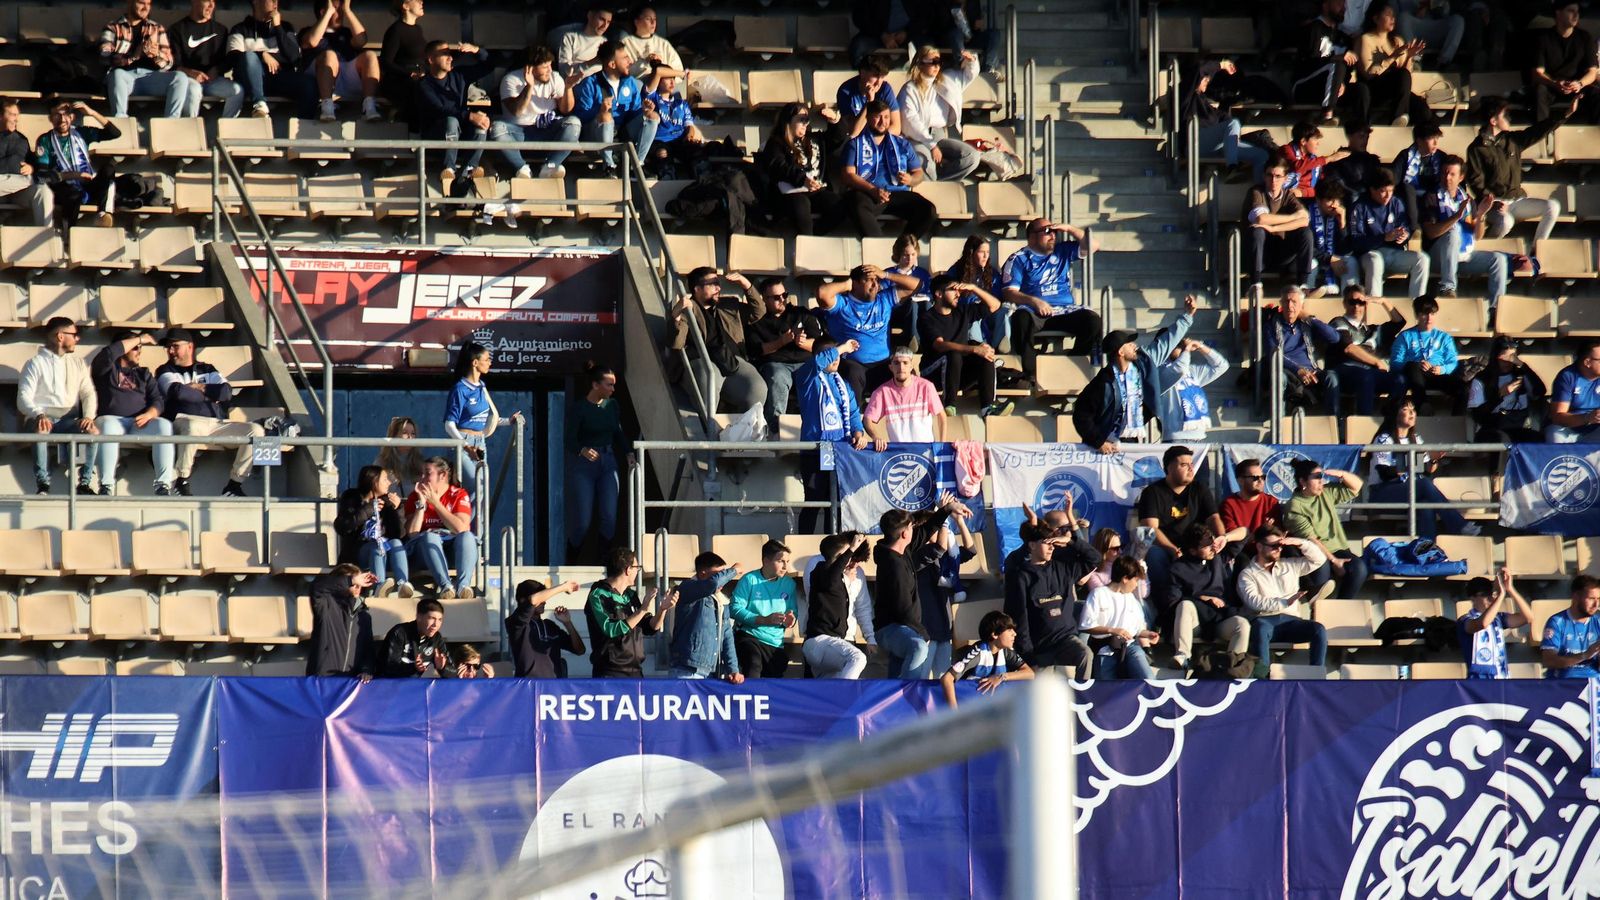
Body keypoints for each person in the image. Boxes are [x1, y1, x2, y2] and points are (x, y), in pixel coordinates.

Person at [1073, 296, 1197, 453]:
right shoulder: (1103, 383)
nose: (1134, 345)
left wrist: (1187, 315)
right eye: (1129, 343)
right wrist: (1098, 442)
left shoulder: (1143, 363)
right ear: (1120, 351)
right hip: (1107, 445)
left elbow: (1166, 342)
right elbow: (1081, 416)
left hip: (1133, 440)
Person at [155, 328, 263, 497]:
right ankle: (181, 481)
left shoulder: (207, 368)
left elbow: (226, 392)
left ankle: (234, 485)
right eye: (168, 347)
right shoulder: (164, 370)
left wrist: (198, 387)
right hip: (183, 420)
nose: (170, 351)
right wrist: (210, 394)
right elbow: (178, 392)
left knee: (256, 431)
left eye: (175, 346)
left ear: (190, 347)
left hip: (216, 423)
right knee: (192, 426)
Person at [1368, 397, 1480, 537]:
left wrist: (1433, 460)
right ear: (1394, 414)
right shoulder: (1384, 439)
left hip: (1410, 492)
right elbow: (1386, 474)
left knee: (1426, 504)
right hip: (1383, 494)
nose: (1412, 413)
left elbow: (1426, 472)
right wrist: (1412, 464)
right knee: (1423, 485)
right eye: (1406, 409)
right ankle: (1460, 526)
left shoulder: (1416, 438)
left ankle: (1426, 550)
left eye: (1413, 409)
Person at [1003, 218, 1104, 370]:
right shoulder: (1018, 258)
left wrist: (1069, 228)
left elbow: (1094, 246)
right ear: (1031, 236)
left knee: (1093, 321)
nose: (1053, 236)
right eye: (1047, 232)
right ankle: (1030, 373)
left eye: (1055, 232)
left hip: (1064, 309)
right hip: (1034, 311)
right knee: (1020, 319)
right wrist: (1034, 301)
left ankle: (1071, 366)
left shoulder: (1062, 250)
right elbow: (1008, 292)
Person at [1466, 96, 1571, 241]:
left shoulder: (1512, 140)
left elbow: (1537, 132)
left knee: (1552, 206)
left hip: (1516, 200)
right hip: (1492, 204)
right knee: (1505, 222)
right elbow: (1476, 182)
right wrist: (1493, 202)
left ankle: (1536, 252)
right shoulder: (1476, 148)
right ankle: (1484, 247)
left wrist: (1565, 114)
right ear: (1493, 121)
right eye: (1505, 115)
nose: (1509, 118)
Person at [1003, 518, 1097, 679]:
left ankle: (1082, 698)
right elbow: (1019, 618)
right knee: (1041, 693)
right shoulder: (1020, 576)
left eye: (1053, 543)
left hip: (1065, 639)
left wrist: (1071, 541)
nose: (1051, 547)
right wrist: (1028, 656)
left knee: (1085, 654)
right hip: (1038, 647)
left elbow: (1094, 558)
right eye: (1047, 543)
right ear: (1032, 545)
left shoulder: (1063, 568)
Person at [17, 317, 98, 496]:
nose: (77, 339)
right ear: (60, 336)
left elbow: (88, 393)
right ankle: (43, 484)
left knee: (92, 432)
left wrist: (89, 416)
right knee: (41, 430)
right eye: (74, 335)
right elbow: (23, 397)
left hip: (69, 418)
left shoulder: (78, 363)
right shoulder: (35, 363)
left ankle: (84, 483)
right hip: (43, 417)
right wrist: (38, 414)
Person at [816, 265, 921, 401]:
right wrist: (847, 284)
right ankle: (856, 418)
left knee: (906, 372)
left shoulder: (884, 299)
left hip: (883, 363)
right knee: (852, 372)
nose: (875, 285)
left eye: (877, 280)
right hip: (853, 365)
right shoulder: (843, 304)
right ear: (856, 283)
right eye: (869, 280)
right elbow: (822, 293)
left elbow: (917, 285)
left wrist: (885, 275)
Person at [670, 266, 767, 414]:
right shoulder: (688, 308)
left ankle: (745, 432)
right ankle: (709, 431)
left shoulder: (729, 305)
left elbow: (759, 312)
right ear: (697, 289)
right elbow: (677, 343)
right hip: (702, 360)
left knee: (757, 388)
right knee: (708, 377)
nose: (718, 287)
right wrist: (676, 316)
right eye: (712, 284)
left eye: (718, 283)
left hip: (731, 359)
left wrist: (745, 284)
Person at [797, 338, 869, 533]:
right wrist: (842, 348)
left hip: (840, 452)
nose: (836, 358)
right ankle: (804, 542)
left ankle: (833, 545)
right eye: (832, 354)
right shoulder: (807, 377)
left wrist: (858, 432)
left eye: (838, 355)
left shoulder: (843, 384)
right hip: (815, 451)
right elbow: (818, 363)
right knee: (813, 500)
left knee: (836, 501)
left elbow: (854, 414)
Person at [1237, 526, 1331, 675]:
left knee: (1318, 629)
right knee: (1260, 627)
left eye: (1280, 545)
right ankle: (1263, 678)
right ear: (1259, 546)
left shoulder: (1290, 565)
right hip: (1264, 620)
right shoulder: (1247, 574)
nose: (1278, 549)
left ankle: (1316, 676)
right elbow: (1253, 601)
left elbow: (1319, 560)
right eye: (1273, 546)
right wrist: (1284, 602)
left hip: (1291, 622)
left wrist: (1299, 543)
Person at [1137, 444, 1226, 597]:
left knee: (1217, 553)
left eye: (1191, 464)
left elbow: (1214, 518)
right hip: (1165, 547)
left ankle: (1218, 598)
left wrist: (1221, 537)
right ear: (1169, 468)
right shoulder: (1152, 492)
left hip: (1197, 545)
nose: (1191, 469)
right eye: (1184, 465)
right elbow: (1151, 529)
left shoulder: (1200, 489)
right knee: (1154, 554)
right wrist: (1172, 549)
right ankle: (1165, 602)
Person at [90, 331, 173, 496]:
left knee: (164, 425)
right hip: (111, 421)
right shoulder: (106, 368)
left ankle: (163, 484)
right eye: (135, 347)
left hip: (138, 423)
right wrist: (140, 338)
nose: (139, 351)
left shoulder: (144, 374)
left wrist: (150, 414)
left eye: (140, 347)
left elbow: (158, 401)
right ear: (123, 348)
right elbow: (108, 353)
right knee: (107, 425)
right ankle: (106, 485)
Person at [1423, 155, 1510, 309]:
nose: (1447, 177)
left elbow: (1477, 235)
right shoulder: (1431, 197)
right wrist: (1456, 217)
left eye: (1452, 174)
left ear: (1461, 177)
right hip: (1438, 257)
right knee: (1453, 230)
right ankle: (1448, 287)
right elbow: (1430, 233)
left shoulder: (1467, 200)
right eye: (1444, 173)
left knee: (1499, 260)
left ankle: (1496, 310)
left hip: (1463, 256)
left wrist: (1482, 215)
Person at [839, 100, 936, 239]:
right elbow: (847, 175)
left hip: (896, 192)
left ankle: (903, 246)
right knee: (856, 203)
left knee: (928, 210)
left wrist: (911, 179)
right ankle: (878, 249)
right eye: (877, 117)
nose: (882, 122)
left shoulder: (902, 144)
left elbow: (918, 173)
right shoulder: (855, 144)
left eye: (886, 117)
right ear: (868, 118)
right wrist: (872, 190)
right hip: (868, 193)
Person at [566, 365, 631, 562]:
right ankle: (572, 558)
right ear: (595, 385)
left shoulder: (612, 406)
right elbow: (569, 439)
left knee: (609, 517)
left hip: (608, 461)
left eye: (614, 385)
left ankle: (604, 562)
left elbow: (618, 432)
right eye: (608, 384)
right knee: (583, 521)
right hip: (585, 465)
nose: (612, 389)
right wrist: (582, 450)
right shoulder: (579, 408)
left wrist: (628, 452)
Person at [1164, 526, 1249, 673]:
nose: (1212, 548)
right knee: (1184, 605)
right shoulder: (1178, 568)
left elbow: (1245, 532)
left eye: (1212, 543)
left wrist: (1225, 538)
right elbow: (1172, 602)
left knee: (1242, 624)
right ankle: (1183, 655)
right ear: (1192, 550)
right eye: (1207, 546)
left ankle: (1233, 665)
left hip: (1218, 618)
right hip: (1195, 623)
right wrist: (1202, 598)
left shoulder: (1218, 556)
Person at [918, 274, 1005, 416]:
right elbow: (940, 345)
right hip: (933, 374)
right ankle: (949, 405)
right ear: (939, 294)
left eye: (958, 290)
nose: (958, 294)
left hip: (957, 373)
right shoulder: (927, 318)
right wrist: (974, 349)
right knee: (954, 354)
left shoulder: (962, 311)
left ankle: (987, 408)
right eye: (953, 290)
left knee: (985, 355)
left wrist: (974, 288)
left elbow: (995, 305)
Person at [746, 277, 824, 431]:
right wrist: (781, 342)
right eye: (776, 297)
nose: (782, 299)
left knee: (818, 376)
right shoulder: (757, 320)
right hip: (776, 363)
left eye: (784, 295)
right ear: (764, 299)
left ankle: (819, 424)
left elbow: (821, 345)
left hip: (805, 361)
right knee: (777, 377)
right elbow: (756, 350)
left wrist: (803, 343)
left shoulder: (801, 313)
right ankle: (776, 427)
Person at [1284, 459, 1369, 599]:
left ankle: (1342, 605)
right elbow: (1311, 539)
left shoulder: (1326, 492)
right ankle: (1317, 609)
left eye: (1321, 477)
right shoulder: (1294, 505)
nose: (1321, 481)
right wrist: (1334, 560)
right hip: (1316, 553)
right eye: (1316, 477)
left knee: (1359, 568)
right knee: (1322, 575)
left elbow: (1357, 487)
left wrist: (1342, 474)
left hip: (1339, 549)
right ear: (1303, 482)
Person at [492, 45, 580, 179]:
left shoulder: (555, 78)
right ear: (530, 67)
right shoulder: (511, 79)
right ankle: (521, 168)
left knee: (573, 123)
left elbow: (565, 109)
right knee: (497, 127)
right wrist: (529, 87)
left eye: (550, 65)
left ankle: (550, 167)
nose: (549, 70)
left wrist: (568, 88)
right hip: (518, 133)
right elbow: (517, 111)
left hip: (547, 130)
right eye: (545, 67)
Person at [756, 103, 845, 236]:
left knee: (839, 206)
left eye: (807, 119)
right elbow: (778, 165)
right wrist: (802, 179)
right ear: (788, 120)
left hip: (816, 190)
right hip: (790, 192)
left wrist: (834, 120)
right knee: (801, 204)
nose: (805, 123)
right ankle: (807, 241)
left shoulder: (814, 139)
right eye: (801, 119)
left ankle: (814, 238)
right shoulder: (776, 142)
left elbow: (838, 138)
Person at [585, 546, 672, 678]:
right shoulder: (598, 595)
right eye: (637, 568)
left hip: (635, 671)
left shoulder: (630, 595)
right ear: (628, 570)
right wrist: (642, 609)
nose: (638, 572)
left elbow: (650, 627)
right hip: (610, 673)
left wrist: (662, 609)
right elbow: (611, 630)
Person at [572, 40, 657, 173]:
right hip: (595, 136)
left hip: (622, 132)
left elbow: (633, 114)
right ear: (612, 64)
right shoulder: (590, 83)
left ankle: (637, 165)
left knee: (653, 116)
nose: (630, 62)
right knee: (606, 116)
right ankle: (609, 166)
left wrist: (644, 111)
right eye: (625, 58)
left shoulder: (630, 82)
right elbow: (580, 116)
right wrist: (600, 110)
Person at [899, 48, 982, 181]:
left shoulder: (947, 80)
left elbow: (968, 75)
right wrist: (932, 146)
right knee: (926, 163)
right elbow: (911, 122)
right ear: (920, 63)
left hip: (938, 134)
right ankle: (933, 187)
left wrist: (971, 61)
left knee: (971, 157)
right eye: (933, 61)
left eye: (939, 61)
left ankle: (939, 184)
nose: (937, 65)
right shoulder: (909, 89)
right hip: (916, 138)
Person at [99, 0, 192, 119]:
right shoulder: (113, 27)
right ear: (130, 3)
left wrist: (156, 55)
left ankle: (171, 122)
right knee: (117, 74)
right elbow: (104, 55)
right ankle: (121, 119)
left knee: (180, 77)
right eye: (141, 3)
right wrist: (133, 57)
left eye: (148, 4)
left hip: (151, 77)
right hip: (125, 78)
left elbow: (169, 64)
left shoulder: (156, 28)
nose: (146, 7)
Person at [802, 532, 877, 678]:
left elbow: (861, 606)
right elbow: (829, 582)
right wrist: (851, 551)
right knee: (858, 658)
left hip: (836, 641)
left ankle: (837, 698)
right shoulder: (820, 567)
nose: (850, 560)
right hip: (820, 640)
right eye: (848, 555)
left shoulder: (845, 576)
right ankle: (843, 698)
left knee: (826, 690)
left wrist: (870, 637)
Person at [34, 102, 120, 229]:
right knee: (73, 193)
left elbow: (114, 133)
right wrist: (72, 175)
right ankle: (69, 230)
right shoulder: (45, 140)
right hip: (63, 188)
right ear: (50, 118)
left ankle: (103, 214)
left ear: (72, 117)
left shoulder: (81, 133)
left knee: (109, 169)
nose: (62, 119)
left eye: (66, 114)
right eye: (57, 115)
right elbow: (41, 176)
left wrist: (92, 113)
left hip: (87, 184)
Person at [403, 456, 478, 599]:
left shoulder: (458, 494)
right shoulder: (415, 496)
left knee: (467, 536)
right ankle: (446, 586)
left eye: (427, 473)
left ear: (443, 475)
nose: (422, 478)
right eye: (421, 474)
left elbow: (461, 528)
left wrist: (436, 504)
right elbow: (412, 534)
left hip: (451, 549)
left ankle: (463, 587)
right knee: (430, 536)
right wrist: (421, 504)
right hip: (424, 552)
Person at [416, 40, 491, 184]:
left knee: (481, 121)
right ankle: (449, 169)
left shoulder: (459, 75)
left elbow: (489, 66)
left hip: (460, 137)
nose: (450, 58)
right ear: (431, 60)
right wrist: (469, 115)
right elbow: (442, 109)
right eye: (444, 54)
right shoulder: (424, 84)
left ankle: (470, 167)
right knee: (451, 120)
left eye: (450, 54)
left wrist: (476, 50)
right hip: (436, 141)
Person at [1185, 59, 1269, 185]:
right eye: (1205, 79)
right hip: (1194, 143)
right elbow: (1199, 72)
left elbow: (1223, 118)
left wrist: (1231, 101)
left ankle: (1260, 195)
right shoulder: (1186, 95)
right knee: (1233, 123)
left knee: (1261, 155)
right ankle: (1232, 168)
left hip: (1216, 146)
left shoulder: (1204, 101)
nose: (1207, 81)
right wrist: (1222, 65)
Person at [1350, 169, 1429, 299]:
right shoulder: (1360, 207)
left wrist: (1404, 235)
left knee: (1422, 259)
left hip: (1393, 253)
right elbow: (1356, 242)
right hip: (1369, 254)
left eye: (1391, 191)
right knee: (1375, 261)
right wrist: (1384, 237)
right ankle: (1374, 303)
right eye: (1383, 191)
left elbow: (1404, 227)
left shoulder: (1396, 203)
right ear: (1372, 190)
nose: (1388, 195)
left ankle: (1417, 304)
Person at [335, 465, 411, 598]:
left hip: (385, 554)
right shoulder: (352, 498)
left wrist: (398, 509)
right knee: (377, 546)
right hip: (358, 552)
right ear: (374, 481)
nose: (389, 482)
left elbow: (399, 534)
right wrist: (366, 511)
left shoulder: (387, 501)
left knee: (396, 543)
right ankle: (379, 586)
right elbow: (342, 526)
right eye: (385, 479)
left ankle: (403, 584)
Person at [300, 0, 383, 123]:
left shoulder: (346, 33)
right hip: (320, 77)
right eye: (337, 10)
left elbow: (361, 41)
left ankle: (369, 106)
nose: (341, 14)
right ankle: (327, 106)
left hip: (345, 76)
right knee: (329, 55)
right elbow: (312, 41)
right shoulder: (307, 31)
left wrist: (348, 10)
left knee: (370, 55)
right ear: (323, 11)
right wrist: (328, 13)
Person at [1265, 286, 1342, 416]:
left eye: (1294, 302)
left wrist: (1309, 318)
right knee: (1279, 378)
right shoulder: (1271, 325)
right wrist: (1298, 370)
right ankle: (1279, 423)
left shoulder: (1306, 324)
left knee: (1331, 377)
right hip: (1286, 370)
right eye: (1286, 301)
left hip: (1311, 371)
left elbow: (1334, 338)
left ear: (1302, 305)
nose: (1290, 305)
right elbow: (1273, 353)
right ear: (1281, 304)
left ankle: (1333, 423)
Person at [874, 510, 934, 679]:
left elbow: (925, 532)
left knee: (897, 671)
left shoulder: (902, 551)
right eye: (911, 527)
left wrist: (946, 511)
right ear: (905, 533)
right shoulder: (893, 564)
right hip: (891, 628)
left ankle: (894, 699)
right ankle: (907, 694)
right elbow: (903, 607)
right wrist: (922, 633)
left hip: (904, 627)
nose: (914, 530)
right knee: (919, 646)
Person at [668, 552, 746, 681]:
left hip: (712, 670)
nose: (724, 579)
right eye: (719, 574)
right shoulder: (687, 588)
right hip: (687, 669)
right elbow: (713, 584)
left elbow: (727, 636)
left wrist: (733, 669)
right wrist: (734, 570)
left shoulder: (721, 600)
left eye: (724, 573)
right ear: (703, 574)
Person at [228, 0, 310, 119]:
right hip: (251, 80)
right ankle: (259, 106)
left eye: (276, 1)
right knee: (249, 56)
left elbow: (294, 57)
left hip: (279, 77)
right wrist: (261, 55)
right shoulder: (240, 28)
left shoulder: (285, 28)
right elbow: (233, 58)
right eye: (271, 0)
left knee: (308, 84)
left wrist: (278, 27)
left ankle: (305, 127)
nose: (275, 3)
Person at [1292, 0, 1370, 125]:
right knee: (1337, 65)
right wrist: (1337, 58)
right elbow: (1309, 63)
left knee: (1361, 89)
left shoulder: (1344, 37)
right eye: (1339, 4)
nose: (1343, 8)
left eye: (1344, 5)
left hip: (1334, 88)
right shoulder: (1313, 28)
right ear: (1325, 4)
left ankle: (1360, 128)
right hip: (1306, 86)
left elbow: (1348, 68)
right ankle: (1327, 115)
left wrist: (1341, 83)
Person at [1081, 556, 1159, 679]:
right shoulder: (1098, 594)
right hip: (1104, 649)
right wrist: (1113, 630)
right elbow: (1086, 625)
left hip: (1130, 647)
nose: (1136, 585)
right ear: (1125, 579)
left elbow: (1138, 629)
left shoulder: (1131, 598)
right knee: (1106, 690)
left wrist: (1148, 634)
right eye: (1135, 580)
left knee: (1149, 680)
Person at [730, 540, 799, 679]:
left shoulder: (789, 584)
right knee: (753, 664)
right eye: (781, 561)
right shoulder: (749, 580)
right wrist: (764, 620)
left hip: (775, 641)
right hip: (749, 635)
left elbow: (793, 611)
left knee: (775, 676)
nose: (786, 566)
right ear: (766, 561)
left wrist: (791, 619)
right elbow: (734, 608)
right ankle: (750, 700)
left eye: (787, 561)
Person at [1355, 2, 1430, 127]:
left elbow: (1405, 75)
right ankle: (1397, 117)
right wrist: (1392, 57)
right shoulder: (1365, 39)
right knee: (1401, 76)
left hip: (1396, 90)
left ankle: (1421, 135)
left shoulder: (1397, 41)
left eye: (1393, 15)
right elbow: (1368, 73)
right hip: (1374, 88)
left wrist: (1409, 57)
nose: (1392, 18)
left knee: (1422, 108)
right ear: (1375, 18)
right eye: (1388, 15)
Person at [1243, 159, 1313, 290]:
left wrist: (1274, 227)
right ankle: (1255, 283)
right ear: (1264, 176)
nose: (1273, 180)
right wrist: (1293, 217)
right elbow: (1261, 219)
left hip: (1282, 252)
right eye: (1270, 175)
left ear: (1285, 179)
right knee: (1257, 232)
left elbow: (1304, 220)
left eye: (1278, 176)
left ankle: (1302, 284)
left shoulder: (1288, 196)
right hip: (1261, 253)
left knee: (1305, 232)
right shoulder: (1257, 192)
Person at [1329, 285, 1400, 415]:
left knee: (1400, 380)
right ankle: (1364, 419)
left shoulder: (1371, 330)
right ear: (1344, 303)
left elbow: (1399, 322)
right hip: (1345, 370)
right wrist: (1377, 362)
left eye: (1361, 302)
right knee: (1366, 376)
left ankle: (1390, 416)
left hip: (1369, 372)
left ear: (1365, 305)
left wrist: (1384, 301)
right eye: (1352, 302)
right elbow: (1349, 349)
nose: (1356, 306)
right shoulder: (1338, 322)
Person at [940, 611, 1034, 707]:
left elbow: (1030, 673)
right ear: (995, 634)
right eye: (1009, 630)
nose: (1014, 634)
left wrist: (1001, 677)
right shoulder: (977, 652)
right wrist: (955, 713)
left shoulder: (1007, 651)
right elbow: (947, 678)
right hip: (969, 707)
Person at [1388, 294, 1465, 412]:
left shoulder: (1444, 337)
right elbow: (1395, 363)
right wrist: (1417, 364)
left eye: (1432, 314)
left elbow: (1452, 362)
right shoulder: (1405, 336)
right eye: (1424, 314)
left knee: (1463, 388)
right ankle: (1422, 405)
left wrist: (1441, 369)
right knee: (1412, 366)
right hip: (1415, 376)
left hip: (1437, 375)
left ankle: (1458, 419)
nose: (1429, 318)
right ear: (1417, 315)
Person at [444, 341, 501, 494]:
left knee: (482, 491)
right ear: (475, 362)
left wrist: (510, 421)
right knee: (475, 486)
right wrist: (466, 446)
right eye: (487, 359)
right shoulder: (460, 388)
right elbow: (449, 424)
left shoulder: (482, 386)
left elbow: (483, 417)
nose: (490, 362)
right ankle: (464, 519)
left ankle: (478, 519)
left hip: (480, 442)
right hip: (463, 442)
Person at [171, 0, 244, 118]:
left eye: (213, 2)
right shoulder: (177, 29)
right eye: (207, 1)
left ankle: (225, 131)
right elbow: (173, 64)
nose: (211, 5)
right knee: (193, 92)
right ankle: (192, 132)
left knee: (237, 91)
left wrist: (217, 70)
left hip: (212, 80)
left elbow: (228, 60)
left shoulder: (221, 30)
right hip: (189, 80)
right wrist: (190, 73)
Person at [378, 0, 445, 128]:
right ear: (405, 6)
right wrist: (409, 74)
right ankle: (415, 132)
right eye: (417, 0)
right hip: (401, 81)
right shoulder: (396, 30)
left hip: (419, 77)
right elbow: (386, 62)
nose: (421, 3)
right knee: (419, 90)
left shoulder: (418, 29)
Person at [1530, 1, 1600, 123]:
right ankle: (1539, 133)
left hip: (1578, 86)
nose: (1575, 15)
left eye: (1577, 12)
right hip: (1552, 86)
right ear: (1558, 13)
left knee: (1597, 93)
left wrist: (1580, 83)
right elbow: (1537, 73)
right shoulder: (1544, 38)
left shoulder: (1585, 37)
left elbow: (1592, 72)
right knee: (1539, 91)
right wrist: (1555, 83)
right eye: (1571, 11)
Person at [1468, 336, 1546, 443]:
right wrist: (1500, 394)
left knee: (1537, 439)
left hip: (1517, 426)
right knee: (1501, 440)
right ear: (1496, 358)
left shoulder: (1520, 375)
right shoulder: (1481, 379)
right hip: (1492, 428)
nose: (1508, 363)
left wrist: (1522, 365)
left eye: (1512, 358)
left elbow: (1540, 392)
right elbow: (1478, 415)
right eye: (1505, 359)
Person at [306, 563, 378, 678]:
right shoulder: (326, 605)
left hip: (351, 684)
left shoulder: (364, 616)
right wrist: (351, 580)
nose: (357, 586)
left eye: (359, 582)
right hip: (322, 680)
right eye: (354, 583)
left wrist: (366, 670)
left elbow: (368, 651)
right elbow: (317, 587)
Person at [865, 348, 946, 446]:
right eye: (896, 363)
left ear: (911, 366)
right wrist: (876, 437)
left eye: (905, 363)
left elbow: (942, 416)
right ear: (891, 367)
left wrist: (942, 445)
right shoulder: (882, 392)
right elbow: (867, 420)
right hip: (899, 454)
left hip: (926, 451)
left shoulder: (926, 386)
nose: (901, 367)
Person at [505, 578, 586, 677]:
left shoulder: (550, 626)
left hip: (553, 688)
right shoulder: (516, 622)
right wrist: (563, 587)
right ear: (522, 600)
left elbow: (580, 650)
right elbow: (533, 600)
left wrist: (568, 623)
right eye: (541, 598)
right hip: (528, 687)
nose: (544, 602)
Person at [1155, 335, 1229, 442]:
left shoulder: (1192, 371)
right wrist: (1187, 350)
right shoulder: (1160, 372)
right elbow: (1180, 369)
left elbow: (1221, 366)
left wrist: (1201, 347)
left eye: (1181, 345)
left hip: (1198, 436)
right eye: (1177, 346)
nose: (1182, 349)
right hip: (1176, 437)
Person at [1457, 570, 1528, 679]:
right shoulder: (1464, 620)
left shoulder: (1498, 618)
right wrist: (1501, 595)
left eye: (1492, 594)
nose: (1490, 598)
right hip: (1479, 681)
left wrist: (1510, 589)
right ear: (1472, 597)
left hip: (1501, 678)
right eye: (1485, 595)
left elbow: (1527, 617)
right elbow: (1483, 623)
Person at [946, 234, 1009, 350]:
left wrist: (975, 289)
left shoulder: (992, 274)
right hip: (967, 313)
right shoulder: (956, 272)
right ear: (971, 253)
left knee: (1004, 312)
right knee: (972, 317)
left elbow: (997, 302)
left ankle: (1001, 346)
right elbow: (949, 297)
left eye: (988, 252)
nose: (986, 256)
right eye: (981, 252)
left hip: (988, 312)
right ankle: (977, 345)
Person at [640, 62, 703, 178]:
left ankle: (702, 185)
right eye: (668, 78)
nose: (672, 82)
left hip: (678, 141)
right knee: (662, 154)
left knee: (696, 152)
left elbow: (690, 126)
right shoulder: (651, 97)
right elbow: (658, 71)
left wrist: (689, 137)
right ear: (658, 81)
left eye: (673, 78)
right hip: (658, 141)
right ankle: (666, 188)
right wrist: (682, 73)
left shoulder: (681, 103)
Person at [0, 99, 50, 227]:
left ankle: (44, 236)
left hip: (17, 190)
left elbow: (32, 161)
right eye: (12, 114)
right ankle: (31, 179)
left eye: (17, 115)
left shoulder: (21, 139)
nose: (16, 119)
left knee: (42, 190)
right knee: (33, 180)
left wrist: (31, 168)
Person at [1542, 574, 1600, 680]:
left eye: (1599, 599)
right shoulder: (1557, 622)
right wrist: (1585, 655)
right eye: (1591, 598)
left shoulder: (1598, 622)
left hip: (1594, 684)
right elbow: (1549, 660)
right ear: (1576, 596)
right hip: (1563, 684)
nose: (1596, 604)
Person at [1220, 458, 1279, 558]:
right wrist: (1261, 532)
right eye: (1255, 478)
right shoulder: (1228, 504)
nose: (1260, 481)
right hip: (1242, 552)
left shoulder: (1271, 502)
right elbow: (1236, 539)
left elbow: (1278, 534)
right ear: (1240, 480)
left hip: (1267, 551)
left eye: (1263, 477)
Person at [1392, 121, 1444, 233]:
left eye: (1437, 138)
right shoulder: (1405, 156)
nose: (1435, 143)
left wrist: (1434, 191)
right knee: (1408, 186)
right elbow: (1392, 181)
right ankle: (1413, 229)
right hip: (1408, 198)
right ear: (1419, 141)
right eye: (1431, 139)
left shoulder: (1441, 157)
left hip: (1431, 199)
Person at [379, 598, 452, 678]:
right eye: (432, 618)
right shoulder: (400, 632)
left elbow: (453, 674)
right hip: (388, 688)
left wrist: (443, 668)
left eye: (440, 620)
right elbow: (388, 669)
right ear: (419, 617)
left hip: (414, 688)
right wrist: (413, 668)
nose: (436, 625)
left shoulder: (436, 638)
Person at [1544, 339, 1600, 443]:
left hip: (1595, 429)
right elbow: (1558, 417)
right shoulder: (1568, 376)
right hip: (1568, 429)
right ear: (1587, 362)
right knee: (1554, 433)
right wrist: (1587, 418)